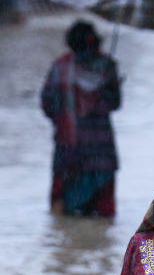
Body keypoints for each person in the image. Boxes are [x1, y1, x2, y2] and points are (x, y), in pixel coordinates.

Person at [40, 19, 122, 217]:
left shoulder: (60, 67)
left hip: (68, 151)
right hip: (101, 154)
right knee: (103, 217)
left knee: (60, 214)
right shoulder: (107, 66)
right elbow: (115, 103)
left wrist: (65, 119)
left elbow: (47, 103)